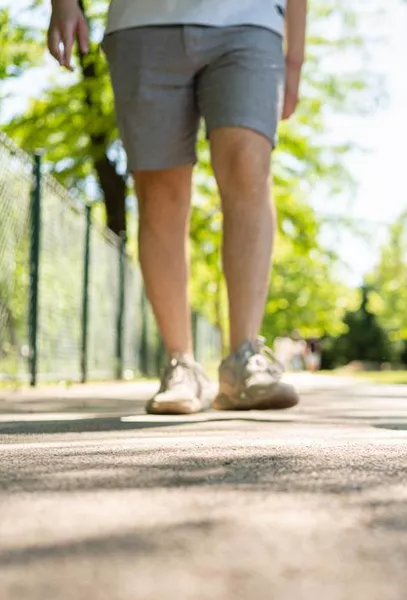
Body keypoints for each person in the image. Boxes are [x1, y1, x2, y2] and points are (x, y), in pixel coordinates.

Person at [47, 0, 306, 414]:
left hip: (251, 21)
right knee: (161, 191)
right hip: (142, 22)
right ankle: (180, 363)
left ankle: (244, 358)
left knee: (248, 168)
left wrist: (295, 58)